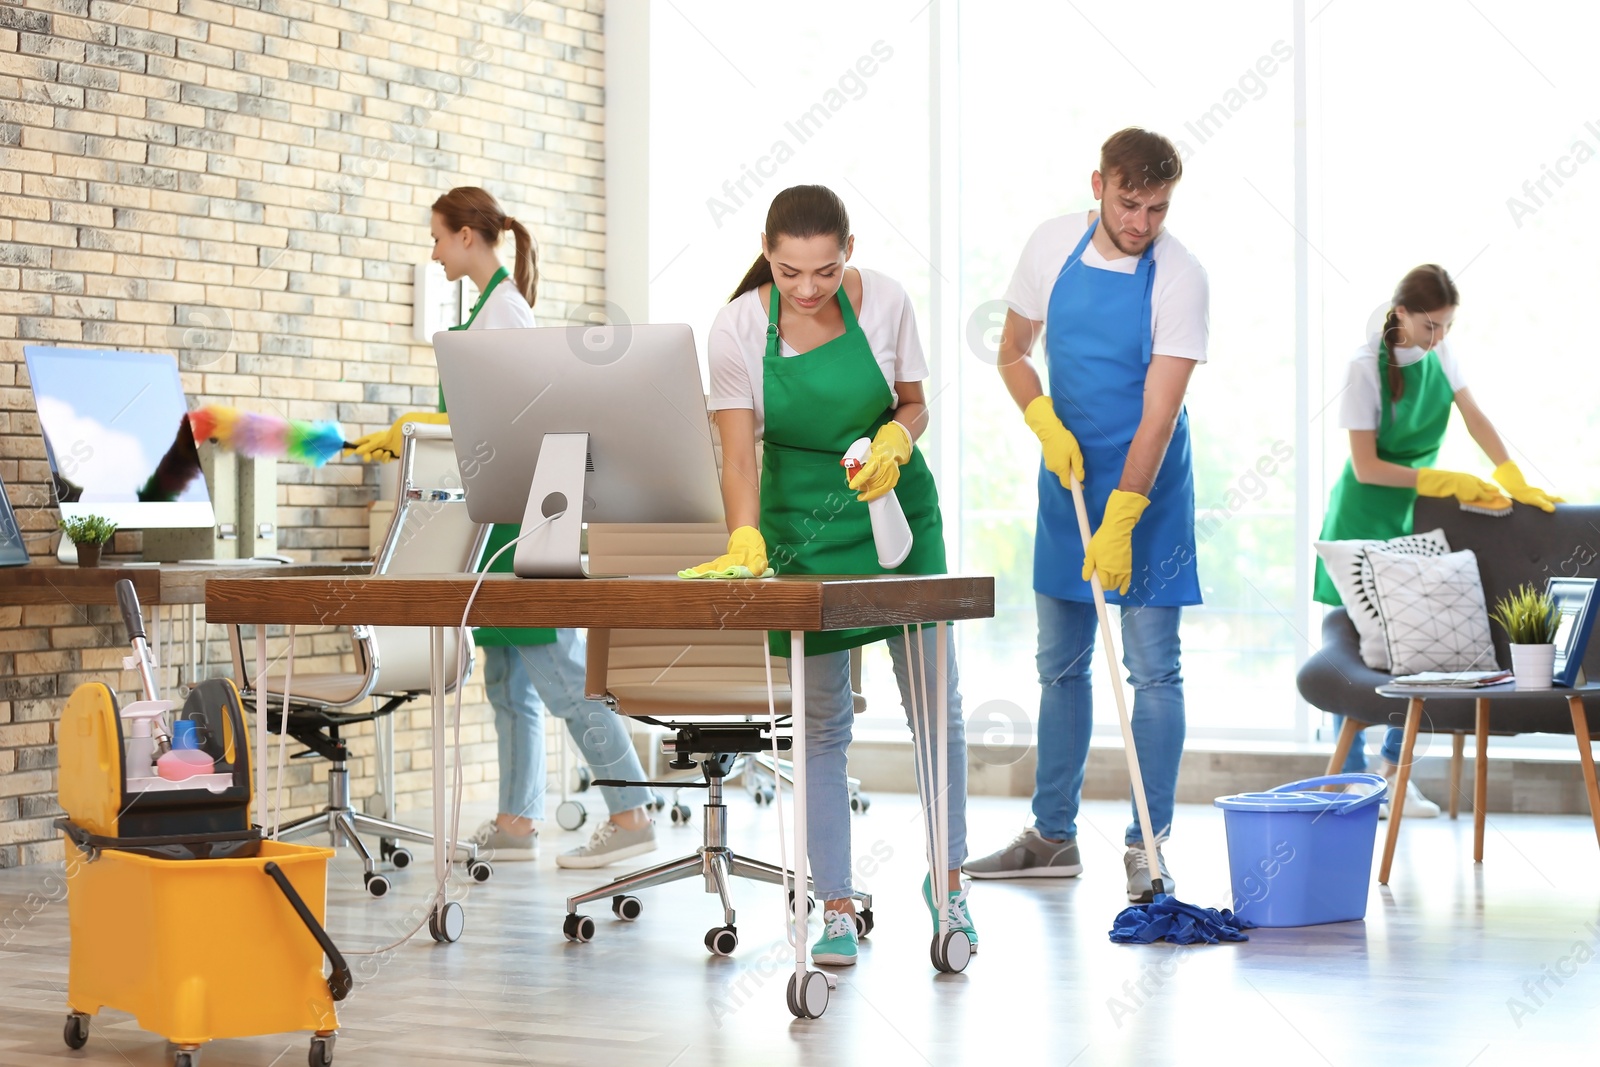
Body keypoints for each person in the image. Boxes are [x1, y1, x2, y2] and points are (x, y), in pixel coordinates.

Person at [686, 184, 973, 967]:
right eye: (789, 272)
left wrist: (895, 441)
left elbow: (913, 403)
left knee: (936, 713)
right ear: (767, 254)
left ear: (849, 250)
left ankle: (950, 887)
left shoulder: (885, 302)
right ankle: (836, 905)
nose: (807, 289)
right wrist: (745, 535)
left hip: (894, 514)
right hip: (797, 523)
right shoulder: (739, 327)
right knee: (819, 725)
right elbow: (739, 451)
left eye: (824, 270)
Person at [348, 186, 658, 870]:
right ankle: (518, 819)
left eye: (437, 237)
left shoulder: (506, 318)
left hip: (526, 519)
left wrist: (425, 433)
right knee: (506, 678)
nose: (432, 251)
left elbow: (523, 422)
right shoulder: (489, 312)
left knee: (558, 671)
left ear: (467, 236)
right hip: (494, 516)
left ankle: (631, 810)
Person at [963, 128, 1208, 904]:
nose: (1141, 222)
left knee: (1153, 669)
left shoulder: (1181, 276)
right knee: (1060, 666)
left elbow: (1160, 415)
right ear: (1097, 182)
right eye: (1128, 202)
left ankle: (1148, 845)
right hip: (1067, 476)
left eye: (1157, 207)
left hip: (1149, 492)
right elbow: (1011, 351)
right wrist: (1042, 419)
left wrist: (1125, 515)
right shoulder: (1049, 245)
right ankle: (1052, 836)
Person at [1315, 264, 1562, 816]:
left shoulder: (1441, 352)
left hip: (1415, 516)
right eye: (1431, 326)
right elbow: (1365, 465)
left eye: (1447, 326)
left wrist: (1508, 471)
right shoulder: (1364, 367)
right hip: (1364, 511)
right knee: (1360, 646)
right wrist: (1440, 478)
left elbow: (1474, 416)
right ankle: (1349, 785)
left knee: (1417, 647)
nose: (1440, 337)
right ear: (1400, 314)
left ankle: (1391, 775)